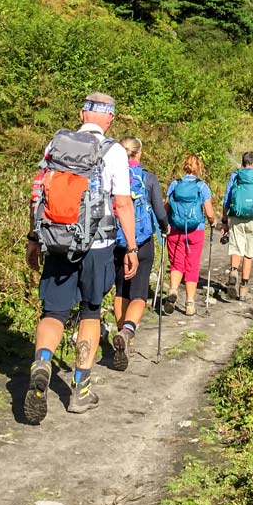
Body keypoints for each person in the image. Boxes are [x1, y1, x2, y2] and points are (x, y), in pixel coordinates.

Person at [24, 93, 137, 423]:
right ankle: (80, 391)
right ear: (110, 120)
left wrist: (34, 238)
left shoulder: (56, 144)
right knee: (90, 311)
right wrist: (130, 248)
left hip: (56, 240)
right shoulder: (114, 151)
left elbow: (38, 194)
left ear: (81, 114)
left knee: (53, 311)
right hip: (98, 246)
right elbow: (122, 204)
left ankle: (42, 362)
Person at [110, 137, 169, 371]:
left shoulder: (112, 176)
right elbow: (157, 209)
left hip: (116, 241)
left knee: (121, 290)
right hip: (142, 242)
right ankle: (127, 332)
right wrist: (165, 226)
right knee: (139, 293)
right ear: (139, 154)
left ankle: (124, 338)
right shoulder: (148, 178)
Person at [164, 154, 215, 317]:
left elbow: (166, 207)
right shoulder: (201, 186)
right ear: (198, 168)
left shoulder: (175, 184)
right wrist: (213, 221)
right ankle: (190, 304)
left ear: (184, 166)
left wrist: (165, 224)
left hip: (175, 229)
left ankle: (173, 289)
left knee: (176, 263)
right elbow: (209, 211)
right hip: (195, 230)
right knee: (192, 266)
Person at [219, 151, 253, 301]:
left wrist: (224, 221)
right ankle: (243, 289)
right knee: (249, 253)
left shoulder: (235, 176)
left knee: (236, 247)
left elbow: (226, 200)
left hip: (236, 217)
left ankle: (234, 271)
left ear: (242, 163)